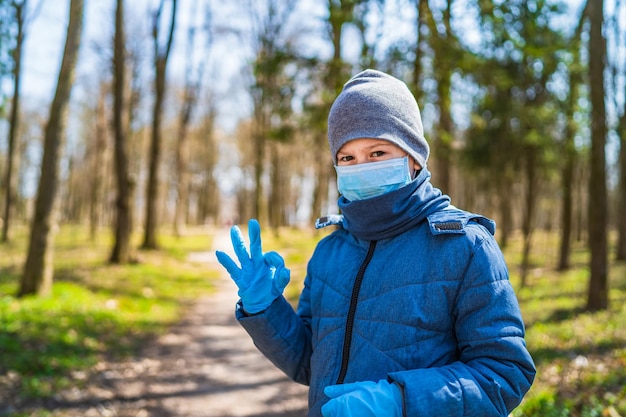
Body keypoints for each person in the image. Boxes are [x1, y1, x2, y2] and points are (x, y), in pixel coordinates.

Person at [215, 69, 535, 417]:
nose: (361, 166)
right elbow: (310, 364)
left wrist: (400, 401)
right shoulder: (329, 252)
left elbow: (505, 374)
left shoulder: (465, 246)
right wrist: (266, 309)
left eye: (378, 152)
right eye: (347, 158)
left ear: (413, 157)